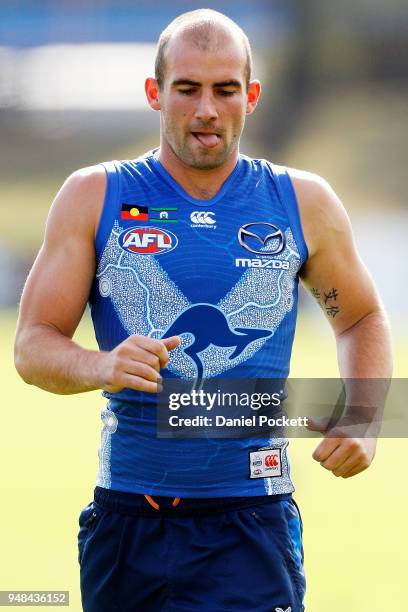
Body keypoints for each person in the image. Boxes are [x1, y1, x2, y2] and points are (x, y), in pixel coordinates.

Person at [14, 8, 392, 612]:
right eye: (187, 89)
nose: (207, 110)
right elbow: (33, 345)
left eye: (225, 89)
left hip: (252, 521)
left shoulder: (302, 201)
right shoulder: (96, 195)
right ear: (155, 94)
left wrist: (365, 418)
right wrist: (100, 365)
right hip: (130, 520)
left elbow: (362, 317)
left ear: (253, 96)